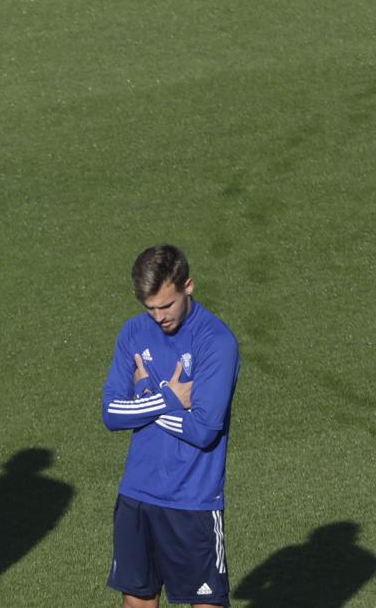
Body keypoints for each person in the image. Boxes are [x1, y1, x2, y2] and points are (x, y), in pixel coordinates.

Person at [101, 244, 239, 608]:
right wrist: (167, 397)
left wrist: (143, 396)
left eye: (167, 305)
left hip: (193, 499)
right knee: (137, 603)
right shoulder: (133, 332)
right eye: (150, 308)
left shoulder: (216, 342)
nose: (159, 317)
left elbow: (204, 430)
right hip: (138, 494)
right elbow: (112, 413)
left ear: (188, 286)